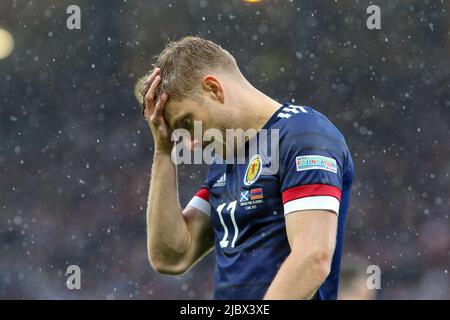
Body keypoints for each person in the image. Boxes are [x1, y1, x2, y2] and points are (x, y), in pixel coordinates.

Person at [141, 36, 354, 300]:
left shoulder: (303, 135)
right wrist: (163, 151)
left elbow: (312, 257)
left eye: (187, 122)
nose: (191, 141)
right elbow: (171, 257)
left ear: (213, 88)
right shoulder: (224, 161)